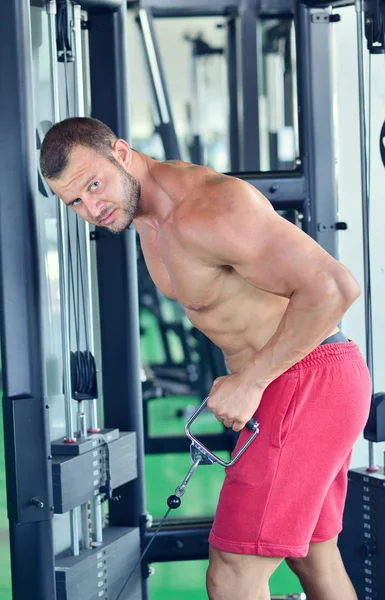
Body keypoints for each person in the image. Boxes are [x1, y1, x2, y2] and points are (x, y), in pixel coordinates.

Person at [40, 117, 371, 600]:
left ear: (122, 152)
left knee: (232, 575)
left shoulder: (207, 208)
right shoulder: (145, 216)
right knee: (314, 558)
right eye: (75, 202)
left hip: (306, 378)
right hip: (302, 380)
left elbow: (336, 287)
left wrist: (253, 380)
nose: (92, 207)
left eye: (95, 184)